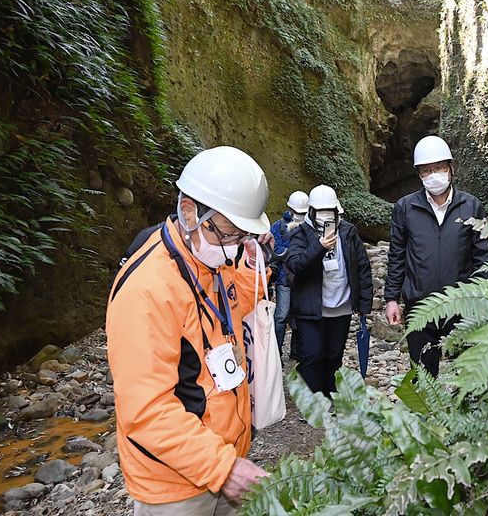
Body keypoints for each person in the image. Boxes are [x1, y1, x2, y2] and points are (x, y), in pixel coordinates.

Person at [106, 146, 273, 515]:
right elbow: (146, 411)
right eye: (229, 234)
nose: (232, 248)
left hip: (222, 454)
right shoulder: (148, 288)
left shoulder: (209, 254)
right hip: (175, 485)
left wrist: (250, 265)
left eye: (241, 236)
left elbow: (233, 307)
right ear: (189, 212)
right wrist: (223, 468)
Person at [384, 135, 488, 377]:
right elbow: (397, 255)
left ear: (451, 168)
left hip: (462, 306)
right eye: (426, 170)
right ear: (419, 174)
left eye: (439, 168)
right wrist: (392, 298)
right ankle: (425, 416)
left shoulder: (471, 206)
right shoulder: (405, 207)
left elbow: (483, 256)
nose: (434, 175)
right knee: (423, 377)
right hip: (419, 307)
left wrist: (484, 300)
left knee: (467, 375)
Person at [286, 185, 372, 395]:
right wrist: (320, 246)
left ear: (337, 211)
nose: (326, 215)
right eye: (321, 211)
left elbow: (362, 267)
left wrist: (364, 303)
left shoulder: (349, 233)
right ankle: (312, 398)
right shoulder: (301, 234)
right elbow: (295, 264)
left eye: (329, 210)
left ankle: (329, 393)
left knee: (334, 354)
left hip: (341, 306)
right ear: (312, 212)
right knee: (312, 354)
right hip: (311, 308)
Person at [270, 190, 308, 355]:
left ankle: (296, 351)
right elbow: (274, 249)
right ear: (290, 210)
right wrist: (293, 253)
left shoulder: (310, 226)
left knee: (301, 315)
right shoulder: (278, 226)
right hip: (284, 278)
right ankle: (275, 351)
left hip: (304, 278)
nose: (300, 215)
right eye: (298, 212)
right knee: (281, 316)